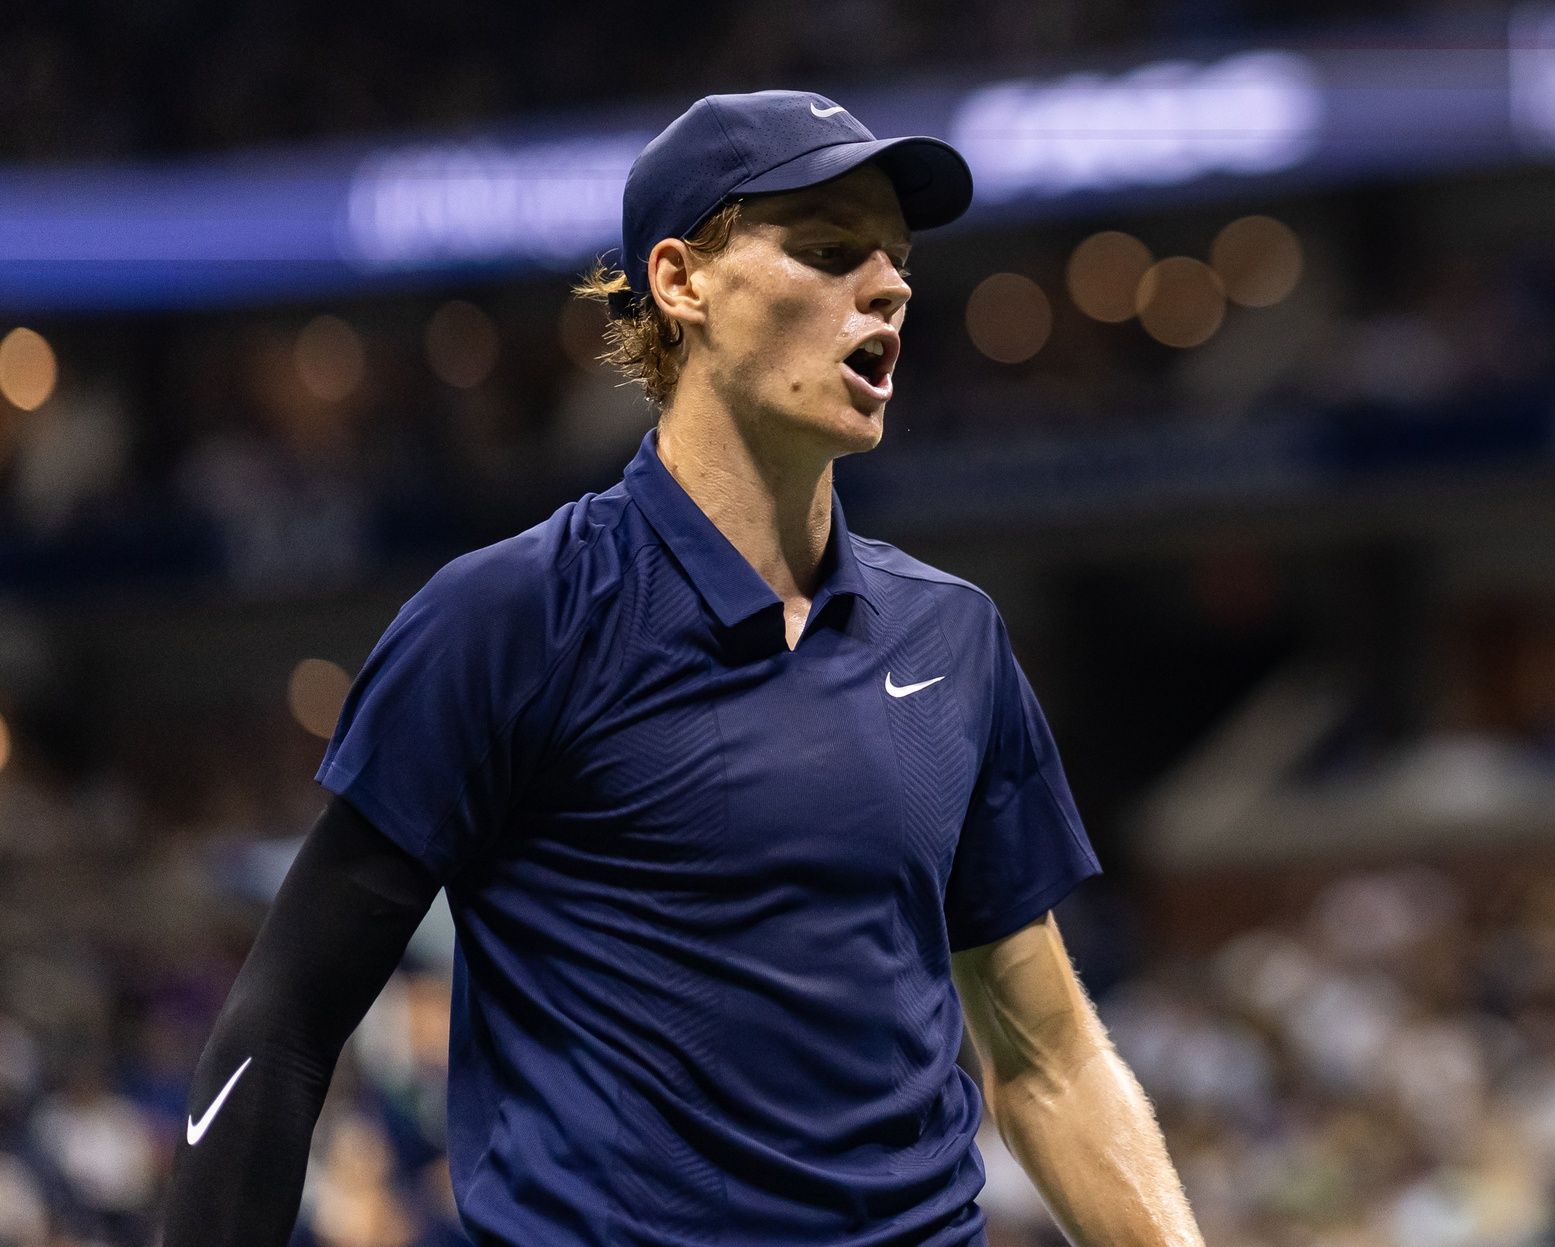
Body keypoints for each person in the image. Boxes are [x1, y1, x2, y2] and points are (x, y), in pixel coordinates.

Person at [161, 90, 1205, 1247]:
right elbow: (285, 1022)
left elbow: (1046, 1059)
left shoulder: (950, 637)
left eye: (896, 261)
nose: (890, 285)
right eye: (827, 249)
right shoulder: (508, 618)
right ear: (680, 281)